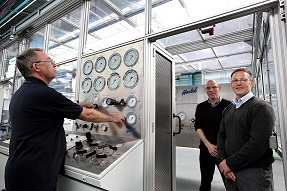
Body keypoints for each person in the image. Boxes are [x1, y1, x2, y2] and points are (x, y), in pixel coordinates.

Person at [4, 48, 126, 191]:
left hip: (19, 169)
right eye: (50, 61)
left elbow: (51, 108)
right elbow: (87, 115)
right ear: (36, 67)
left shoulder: (23, 93)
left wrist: (80, 105)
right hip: (35, 176)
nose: (54, 65)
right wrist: (113, 117)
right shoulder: (46, 94)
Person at [217, 68, 275, 191]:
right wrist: (223, 161)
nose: (238, 83)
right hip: (230, 170)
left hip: (254, 172)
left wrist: (229, 164)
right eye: (235, 81)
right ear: (231, 84)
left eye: (243, 79)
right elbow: (221, 134)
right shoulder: (228, 109)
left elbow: (257, 144)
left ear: (251, 83)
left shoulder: (261, 108)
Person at [194, 80, 231, 191]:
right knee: (205, 181)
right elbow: (198, 127)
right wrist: (208, 145)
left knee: (229, 180)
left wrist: (221, 148)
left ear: (219, 88)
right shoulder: (201, 107)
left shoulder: (229, 105)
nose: (211, 90)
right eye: (208, 88)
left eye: (214, 87)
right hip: (206, 149)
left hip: (225, 151)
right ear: (206, 90)